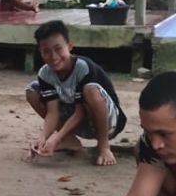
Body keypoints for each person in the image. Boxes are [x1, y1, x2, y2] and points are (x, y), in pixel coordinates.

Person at [26, 19, 127, 166]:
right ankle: (69, 140)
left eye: (58, 49)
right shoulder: (45, 74)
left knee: (90, 90)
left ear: (70, 46)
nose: (53, 57)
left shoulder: (83, 68)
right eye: (46, 51)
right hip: (77, 120)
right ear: (40, 53)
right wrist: (43, 138)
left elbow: (80, 112)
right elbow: (52, 112)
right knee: (32, 91)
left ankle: (104, 146)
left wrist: (56, 138)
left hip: (108, 122)